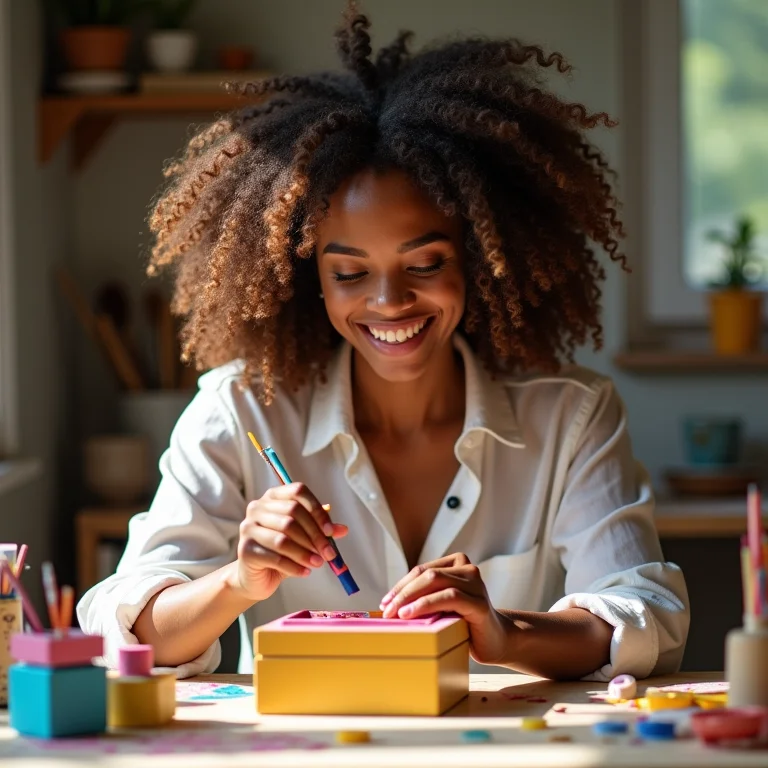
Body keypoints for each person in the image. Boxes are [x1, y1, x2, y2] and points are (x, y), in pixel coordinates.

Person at [78, 2, 689, 682]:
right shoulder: (241, 410)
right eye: (350, 273)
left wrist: (504, 631)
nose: (389, 302)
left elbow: (645, 615)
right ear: (308, 277)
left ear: (482, 260)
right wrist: (240, 582)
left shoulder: (571, 417)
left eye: (425, 264)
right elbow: (122, 628)